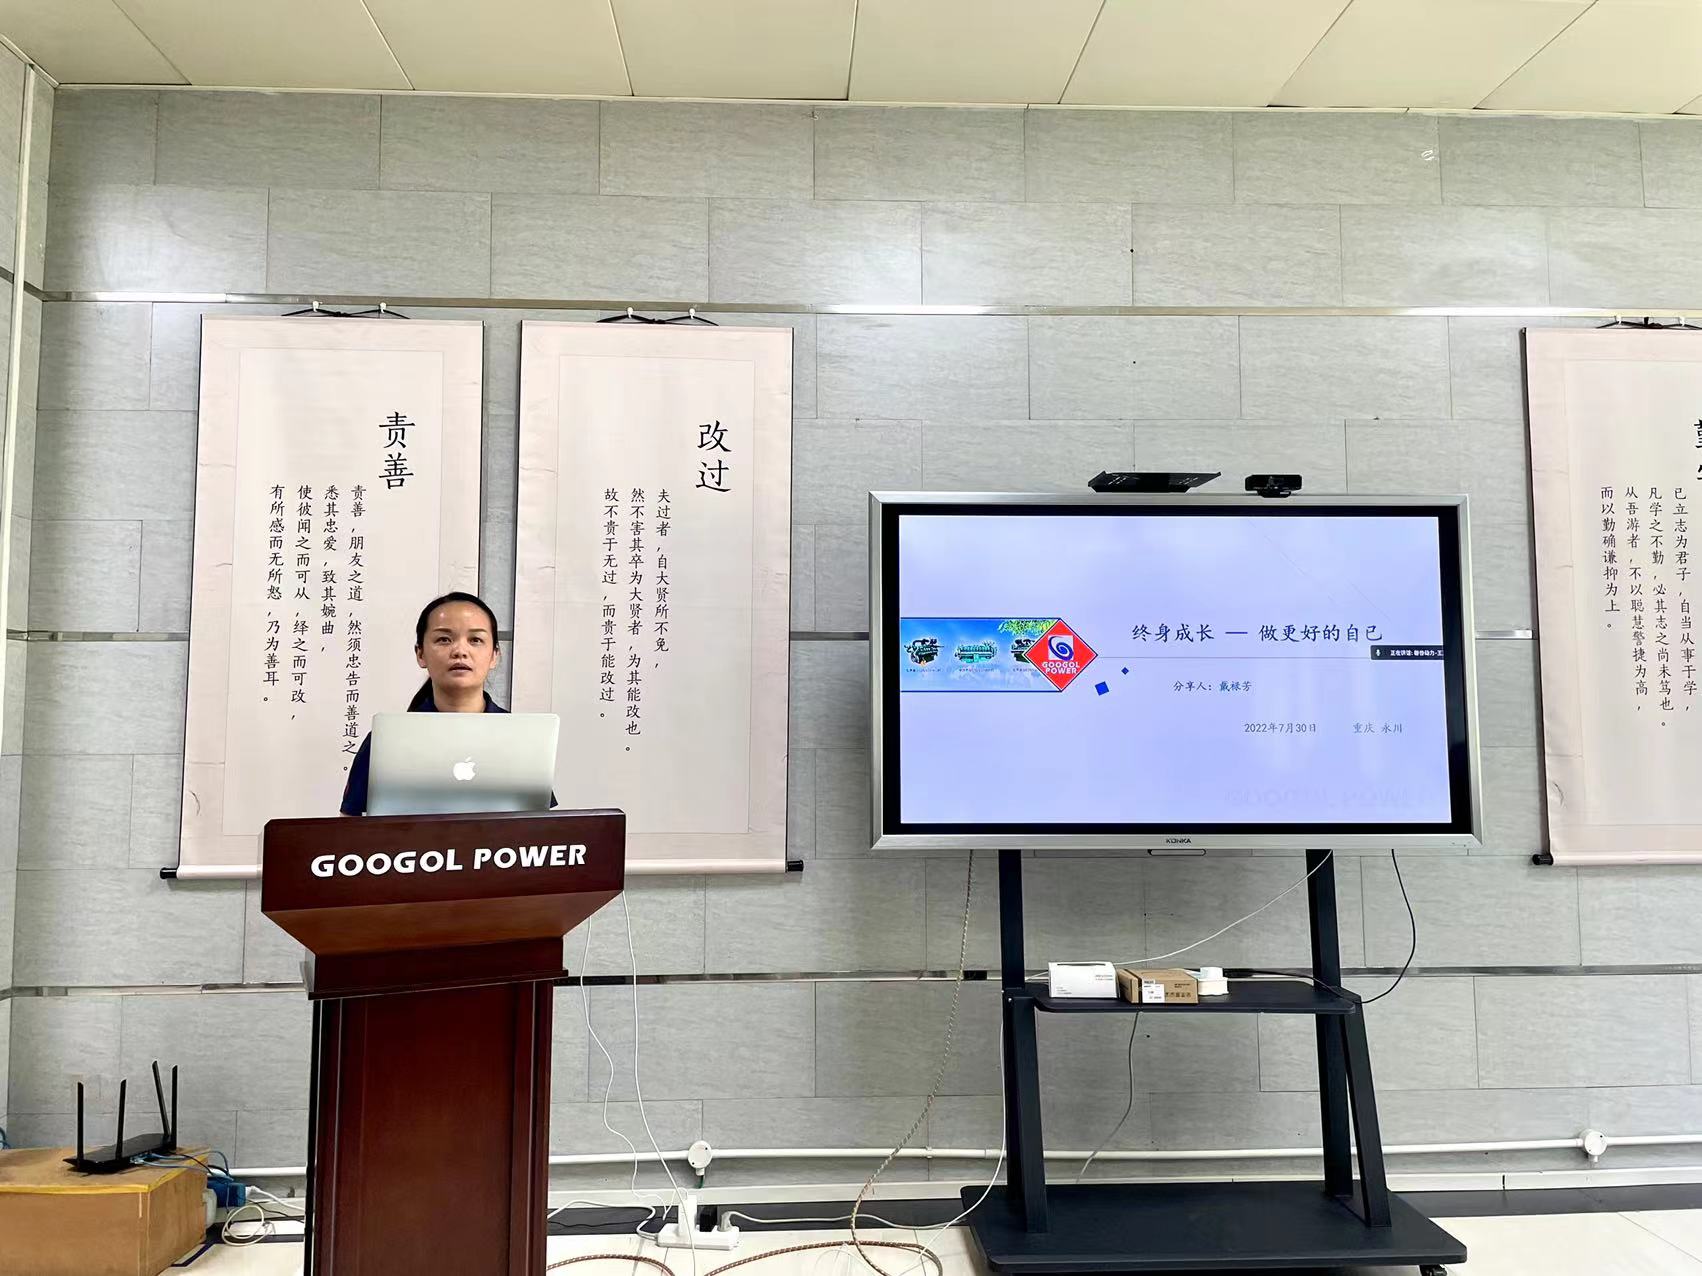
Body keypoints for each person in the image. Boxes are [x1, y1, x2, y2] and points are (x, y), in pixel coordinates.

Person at [339, 590, 511, 815]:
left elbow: (543, 825)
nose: (460, 651)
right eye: (444, 639)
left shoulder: (518, 735)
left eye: (475, 640)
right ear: (420, 654)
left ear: (494, 655)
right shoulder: (388, 739)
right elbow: (348, 827)